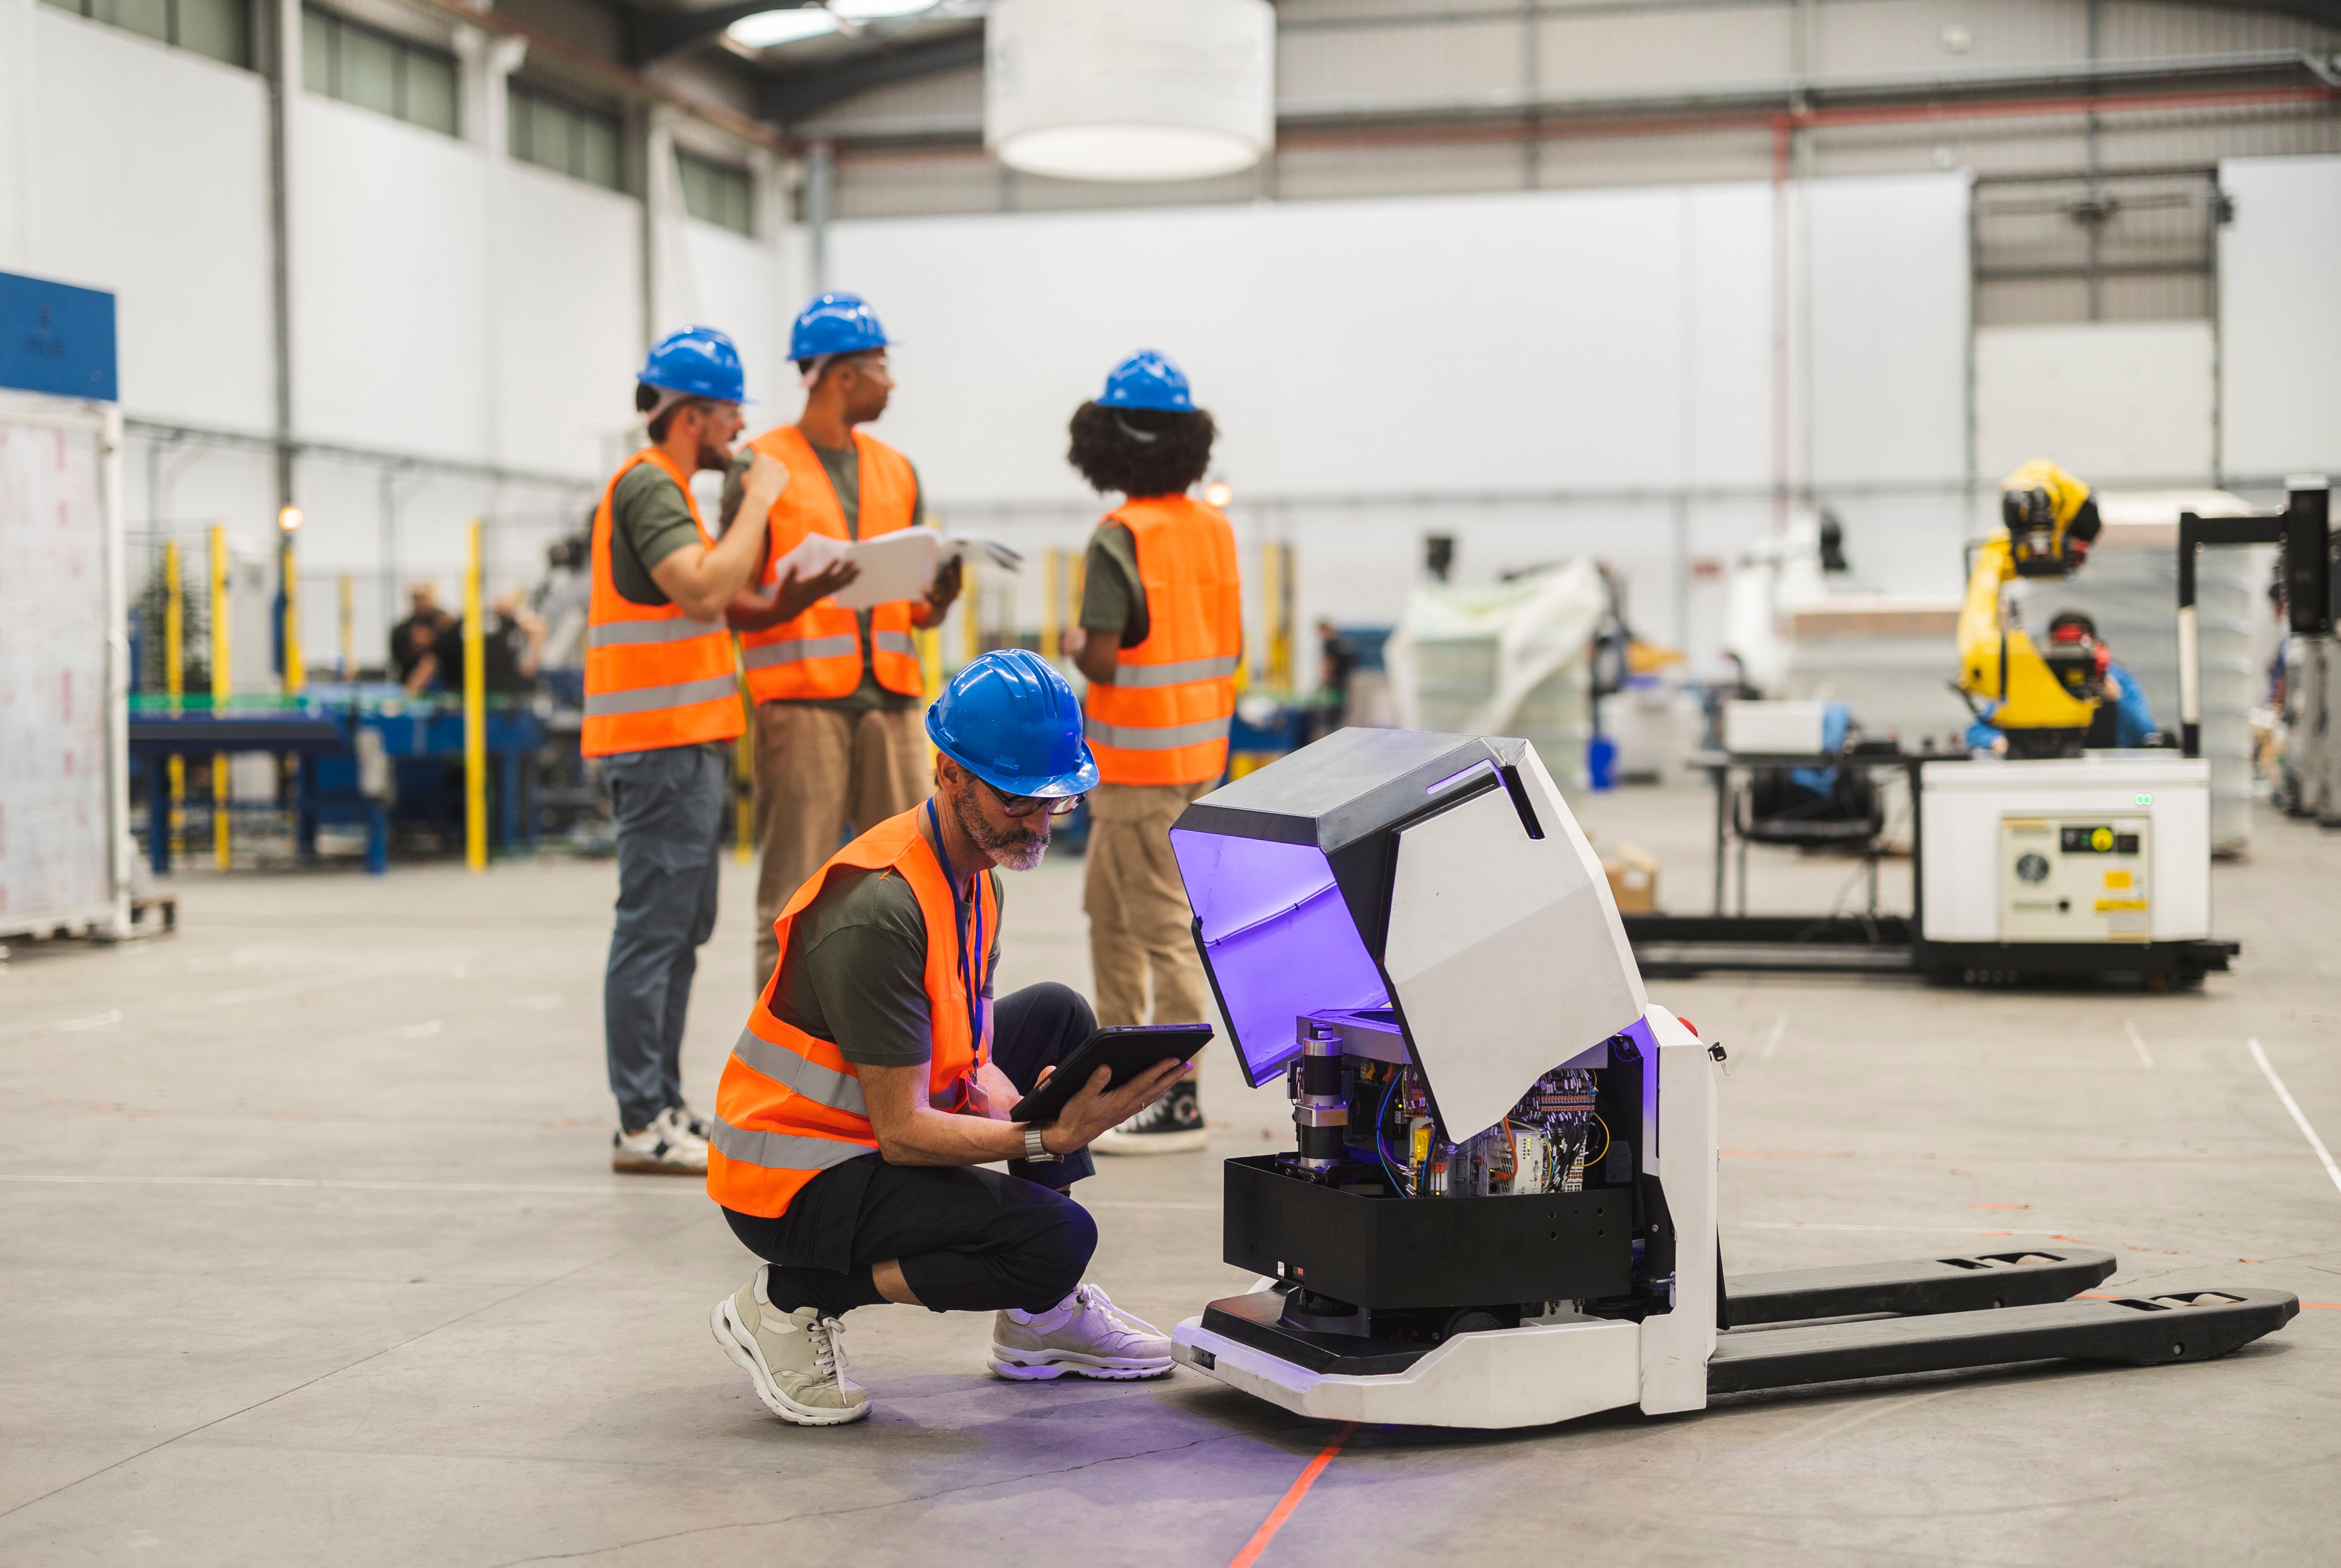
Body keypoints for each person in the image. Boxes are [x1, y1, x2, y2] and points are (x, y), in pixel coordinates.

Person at [705, 649, 1186, 1427]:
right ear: (948, 772)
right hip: (794, 1176)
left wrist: (1019, 1099)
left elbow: (965, 1051)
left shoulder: (974, 877)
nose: (1037, 823)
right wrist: (1040, 1134)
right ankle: (791, 1300)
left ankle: (1040, 1320)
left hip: (866, 1126)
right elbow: (901, 1133)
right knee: (1055, 1242)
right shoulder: (877, 909)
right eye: (1016, 800)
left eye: (1054, 801)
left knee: (1062, 1014)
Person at [585, 325, 832, 1176]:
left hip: (683, 746)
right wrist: (762, 496)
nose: (740, 430)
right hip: (656, 749)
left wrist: (790, 587)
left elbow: (721, 601)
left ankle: (660, 1103)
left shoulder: (672, 494)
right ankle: (641, 1116)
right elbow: (700, 591)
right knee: (654, 930)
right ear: (691, 414)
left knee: (679, 926)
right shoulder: (651, 489)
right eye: (730, 412)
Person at [726, 292, 959, 988]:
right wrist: (787, 599)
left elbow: (914, 611)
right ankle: (777, 1078)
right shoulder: (759, 464)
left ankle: (895, 1058)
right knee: (795, 895)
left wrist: (937, 601)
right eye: (881, 366)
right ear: (842, 376)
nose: (891, 382)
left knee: (909, 883)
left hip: (888, 704)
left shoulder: (898, 469)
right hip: (800, 706)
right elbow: (730, 596)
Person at [1060, 350, 1239, 1155]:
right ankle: (1116, 1073)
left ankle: (1175, 1098)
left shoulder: (1119, 536)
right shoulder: (1211, 527)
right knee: (1109, 913)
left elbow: (1100, 657)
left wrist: (1069, 639)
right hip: (1197, 755)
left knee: (1162, 926)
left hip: (1137, 767)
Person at [1966, 611, 2157, 752]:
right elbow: (1978, 729)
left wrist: (2116, 699)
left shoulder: (2120, 679)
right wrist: (1996, 740)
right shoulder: (2034, 679)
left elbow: (2144, 733)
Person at [389, 583, 442, 685]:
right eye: (417, 598)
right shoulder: (402, 629)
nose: (421, 602)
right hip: (409, 680)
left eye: (423, 598)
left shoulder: (441, 623)